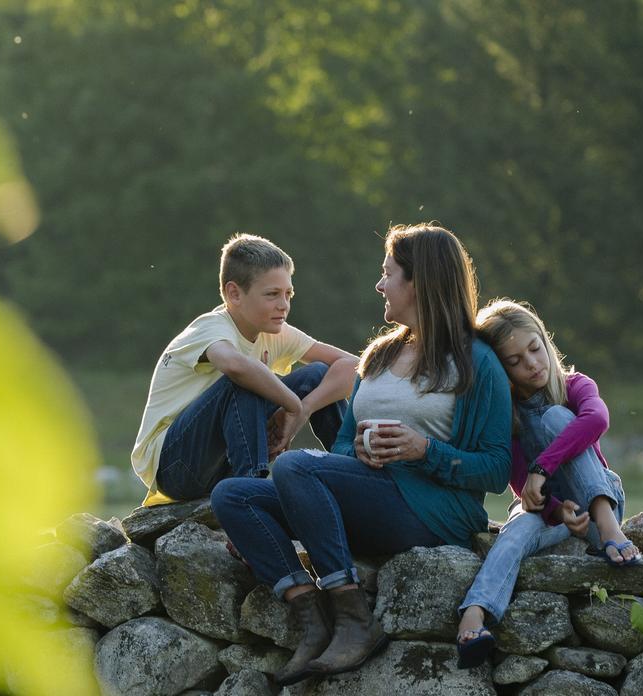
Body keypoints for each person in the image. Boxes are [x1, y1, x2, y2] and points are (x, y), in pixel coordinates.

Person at [212, 223, 511, 686]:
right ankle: (313, 622)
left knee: (294, 464)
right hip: (371, 497)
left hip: (431, 513)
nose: (380, 285)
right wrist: (356, 452)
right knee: (234, 497)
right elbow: (340, 446)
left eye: (388, 273)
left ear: (420, 282)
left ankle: (354, 618)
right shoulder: (380, 355)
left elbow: (495, 469)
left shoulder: (476, 361)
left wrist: (424, 450)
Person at [455, 299, 641, 669]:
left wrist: (544, 466)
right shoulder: (506, 418)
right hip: (549, 512)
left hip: (600, 501)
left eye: (535, 349)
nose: (532, 364)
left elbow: (596, 420)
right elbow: (523, 485)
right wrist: (556, 507)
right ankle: (475, 614)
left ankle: (609, 527)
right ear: (501, 370)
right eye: (514, 361)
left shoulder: (574, 386)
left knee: (558, 417)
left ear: (545, 340)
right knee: (516, 529)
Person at [131, 233, 358, 506]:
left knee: (318, 374)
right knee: (243, 380)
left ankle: (351, 477)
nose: (284, 305)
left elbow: (355, 368)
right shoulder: (211, 327)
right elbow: (235, 366)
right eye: (272, 294)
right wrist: (292, 406)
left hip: (221, 459)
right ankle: (250, 499)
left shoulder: (276, 331)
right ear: (234, 293)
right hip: (175, 466)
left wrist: (306, 407)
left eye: (288, 294)